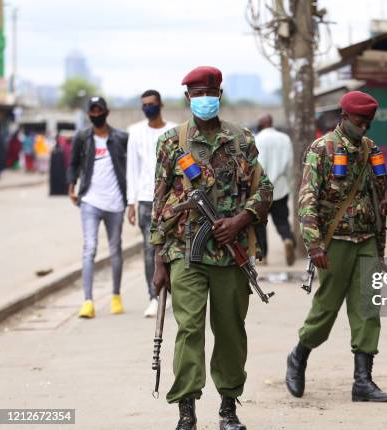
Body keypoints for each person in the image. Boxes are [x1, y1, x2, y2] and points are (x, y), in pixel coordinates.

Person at [150, 66, 272, 430]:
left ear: (220, 94)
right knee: (189, 329)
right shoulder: (172, 142)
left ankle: (228, 407)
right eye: (198, 93)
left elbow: (264, 190)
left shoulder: (242, 140)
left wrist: (241, 220)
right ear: (188, 98)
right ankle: (186, 410)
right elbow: (159, 203)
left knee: (231, 330)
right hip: (184, 252)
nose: (204, 99)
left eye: (210, 92)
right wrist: (158, 261)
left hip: (230, 253)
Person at [286, 90, 387, 403]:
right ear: (344, 117)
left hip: (366, 240)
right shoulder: (322, 148)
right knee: (326, 309)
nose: (366, 127)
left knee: (367, 310)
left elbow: (379, 194)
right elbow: (307, 198)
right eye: (361, 121)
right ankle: (299, 355)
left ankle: (363, 380)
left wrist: (379, 240)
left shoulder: (370, 149)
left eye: (369, 122)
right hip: (335, 242)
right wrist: (314, 243)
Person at [67, 97, 128, 318]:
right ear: (88, 114)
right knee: (89, 248)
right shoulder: (82, 137)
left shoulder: (120, 138)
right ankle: (88, 301)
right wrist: (71, 187)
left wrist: (131, 199)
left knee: (115, 250)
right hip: (90, 201)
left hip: (115, 203)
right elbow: (73, 164)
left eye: (98, 110)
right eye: (91, 111)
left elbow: (132, 165)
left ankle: (115, 296)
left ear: (106, 112)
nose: (95, 114)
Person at [126, 89, 175, 318]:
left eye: (151, 103)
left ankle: (174, 292)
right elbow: (132, 169)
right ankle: (154, 297)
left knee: (174, 247)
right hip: (146, 201)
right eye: (144, 104)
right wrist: (130, 202)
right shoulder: (134, 132)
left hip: (172, 200)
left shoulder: (173, 131)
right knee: (149, 250)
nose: (148, 108)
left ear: (160, 104)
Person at [253, 114, 296, 265]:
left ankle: (263, 256)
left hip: (261, 189)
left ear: (260, 125)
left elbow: (255, 166)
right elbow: (290, 164)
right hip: (281, 187)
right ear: (271, 123)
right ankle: (287, 239)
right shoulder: (284, 138)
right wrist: (290, 184)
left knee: (260, 224)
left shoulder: (256, 139)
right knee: (282, 220)